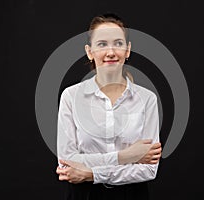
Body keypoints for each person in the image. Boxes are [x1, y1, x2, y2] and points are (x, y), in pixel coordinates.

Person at [56, 13, 162, 200]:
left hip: (132, 195)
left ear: (127, 50)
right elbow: (67, 162)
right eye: (102, 44)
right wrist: (126, 156)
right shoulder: (71, 97)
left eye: (118, 43)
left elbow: (149, 169)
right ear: (90, 51)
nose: (111, 52)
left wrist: (92, 174)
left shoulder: (147, 99)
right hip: (83, 195)